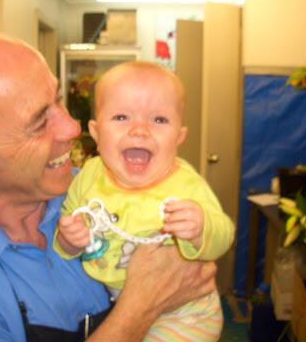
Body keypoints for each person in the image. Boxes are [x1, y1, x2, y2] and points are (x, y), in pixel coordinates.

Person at [0, 32, 218, 342]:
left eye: (58, 100)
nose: (72, 128)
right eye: (39, 122)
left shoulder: (85, 190)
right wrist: (141, 306)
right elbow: (151, 293)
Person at [54, 62, 235, 341]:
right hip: (123, 306)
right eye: (121, 117)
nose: (139, 130)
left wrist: (201, 228)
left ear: (179, 137)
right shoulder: (90, 176)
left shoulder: (186, 184)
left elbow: (224, 234)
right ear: (96, 132)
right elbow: (67, 223)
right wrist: (69, 239)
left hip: (186, 312)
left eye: (159, 120)